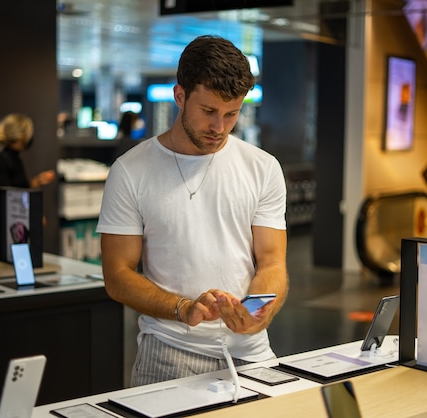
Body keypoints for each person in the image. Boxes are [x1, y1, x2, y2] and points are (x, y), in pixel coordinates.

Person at [96, 35, 289, 387]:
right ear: (180, 95)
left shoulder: (263, 167)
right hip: (168, 351)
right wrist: (182, 308)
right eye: (209, 112)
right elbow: (117, 274)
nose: (220, 127)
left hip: (252, 353)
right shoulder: (131, 171)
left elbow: (273, 262)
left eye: (232, 114)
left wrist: (260, 311)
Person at [0, 113, 55, 252]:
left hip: (12, 224)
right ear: (21, 136)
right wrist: (34, 215)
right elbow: (10, 195)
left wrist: (36, 181)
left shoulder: (14, 158)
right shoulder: (3, 159)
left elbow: (17, 189)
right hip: (2, 227)